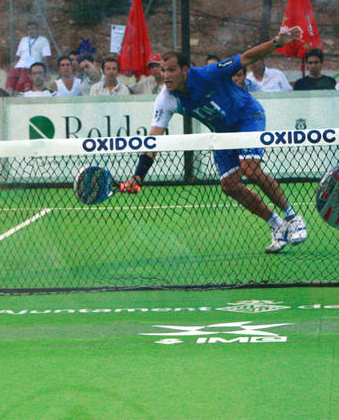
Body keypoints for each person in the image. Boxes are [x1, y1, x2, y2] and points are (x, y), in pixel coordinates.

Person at [122, 27, 308, 254]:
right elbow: (153, 141)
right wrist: (138, 176)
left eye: (171, 70)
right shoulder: (166, 99)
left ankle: (293, 217)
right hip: (221, 132)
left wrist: (277, 41)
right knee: (229, 186)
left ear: (184, 70)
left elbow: (246, 58)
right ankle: (277, 225)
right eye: (163, 70)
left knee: (250, 168)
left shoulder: (208, 74)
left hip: (247, 116)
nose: (166, 75)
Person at [5, 20, 52, 95]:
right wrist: (13, 65)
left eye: (33, 29)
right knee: (10, 80)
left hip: (30, 67)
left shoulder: (43, 40)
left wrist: (47, 71)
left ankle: (17, 99)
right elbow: (18, 55)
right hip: (19, 66)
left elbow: (45, 57)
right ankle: (9, 98)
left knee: (20, 84)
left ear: (37, 29)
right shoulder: (24, 40)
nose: (31, 31)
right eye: (29, 29)